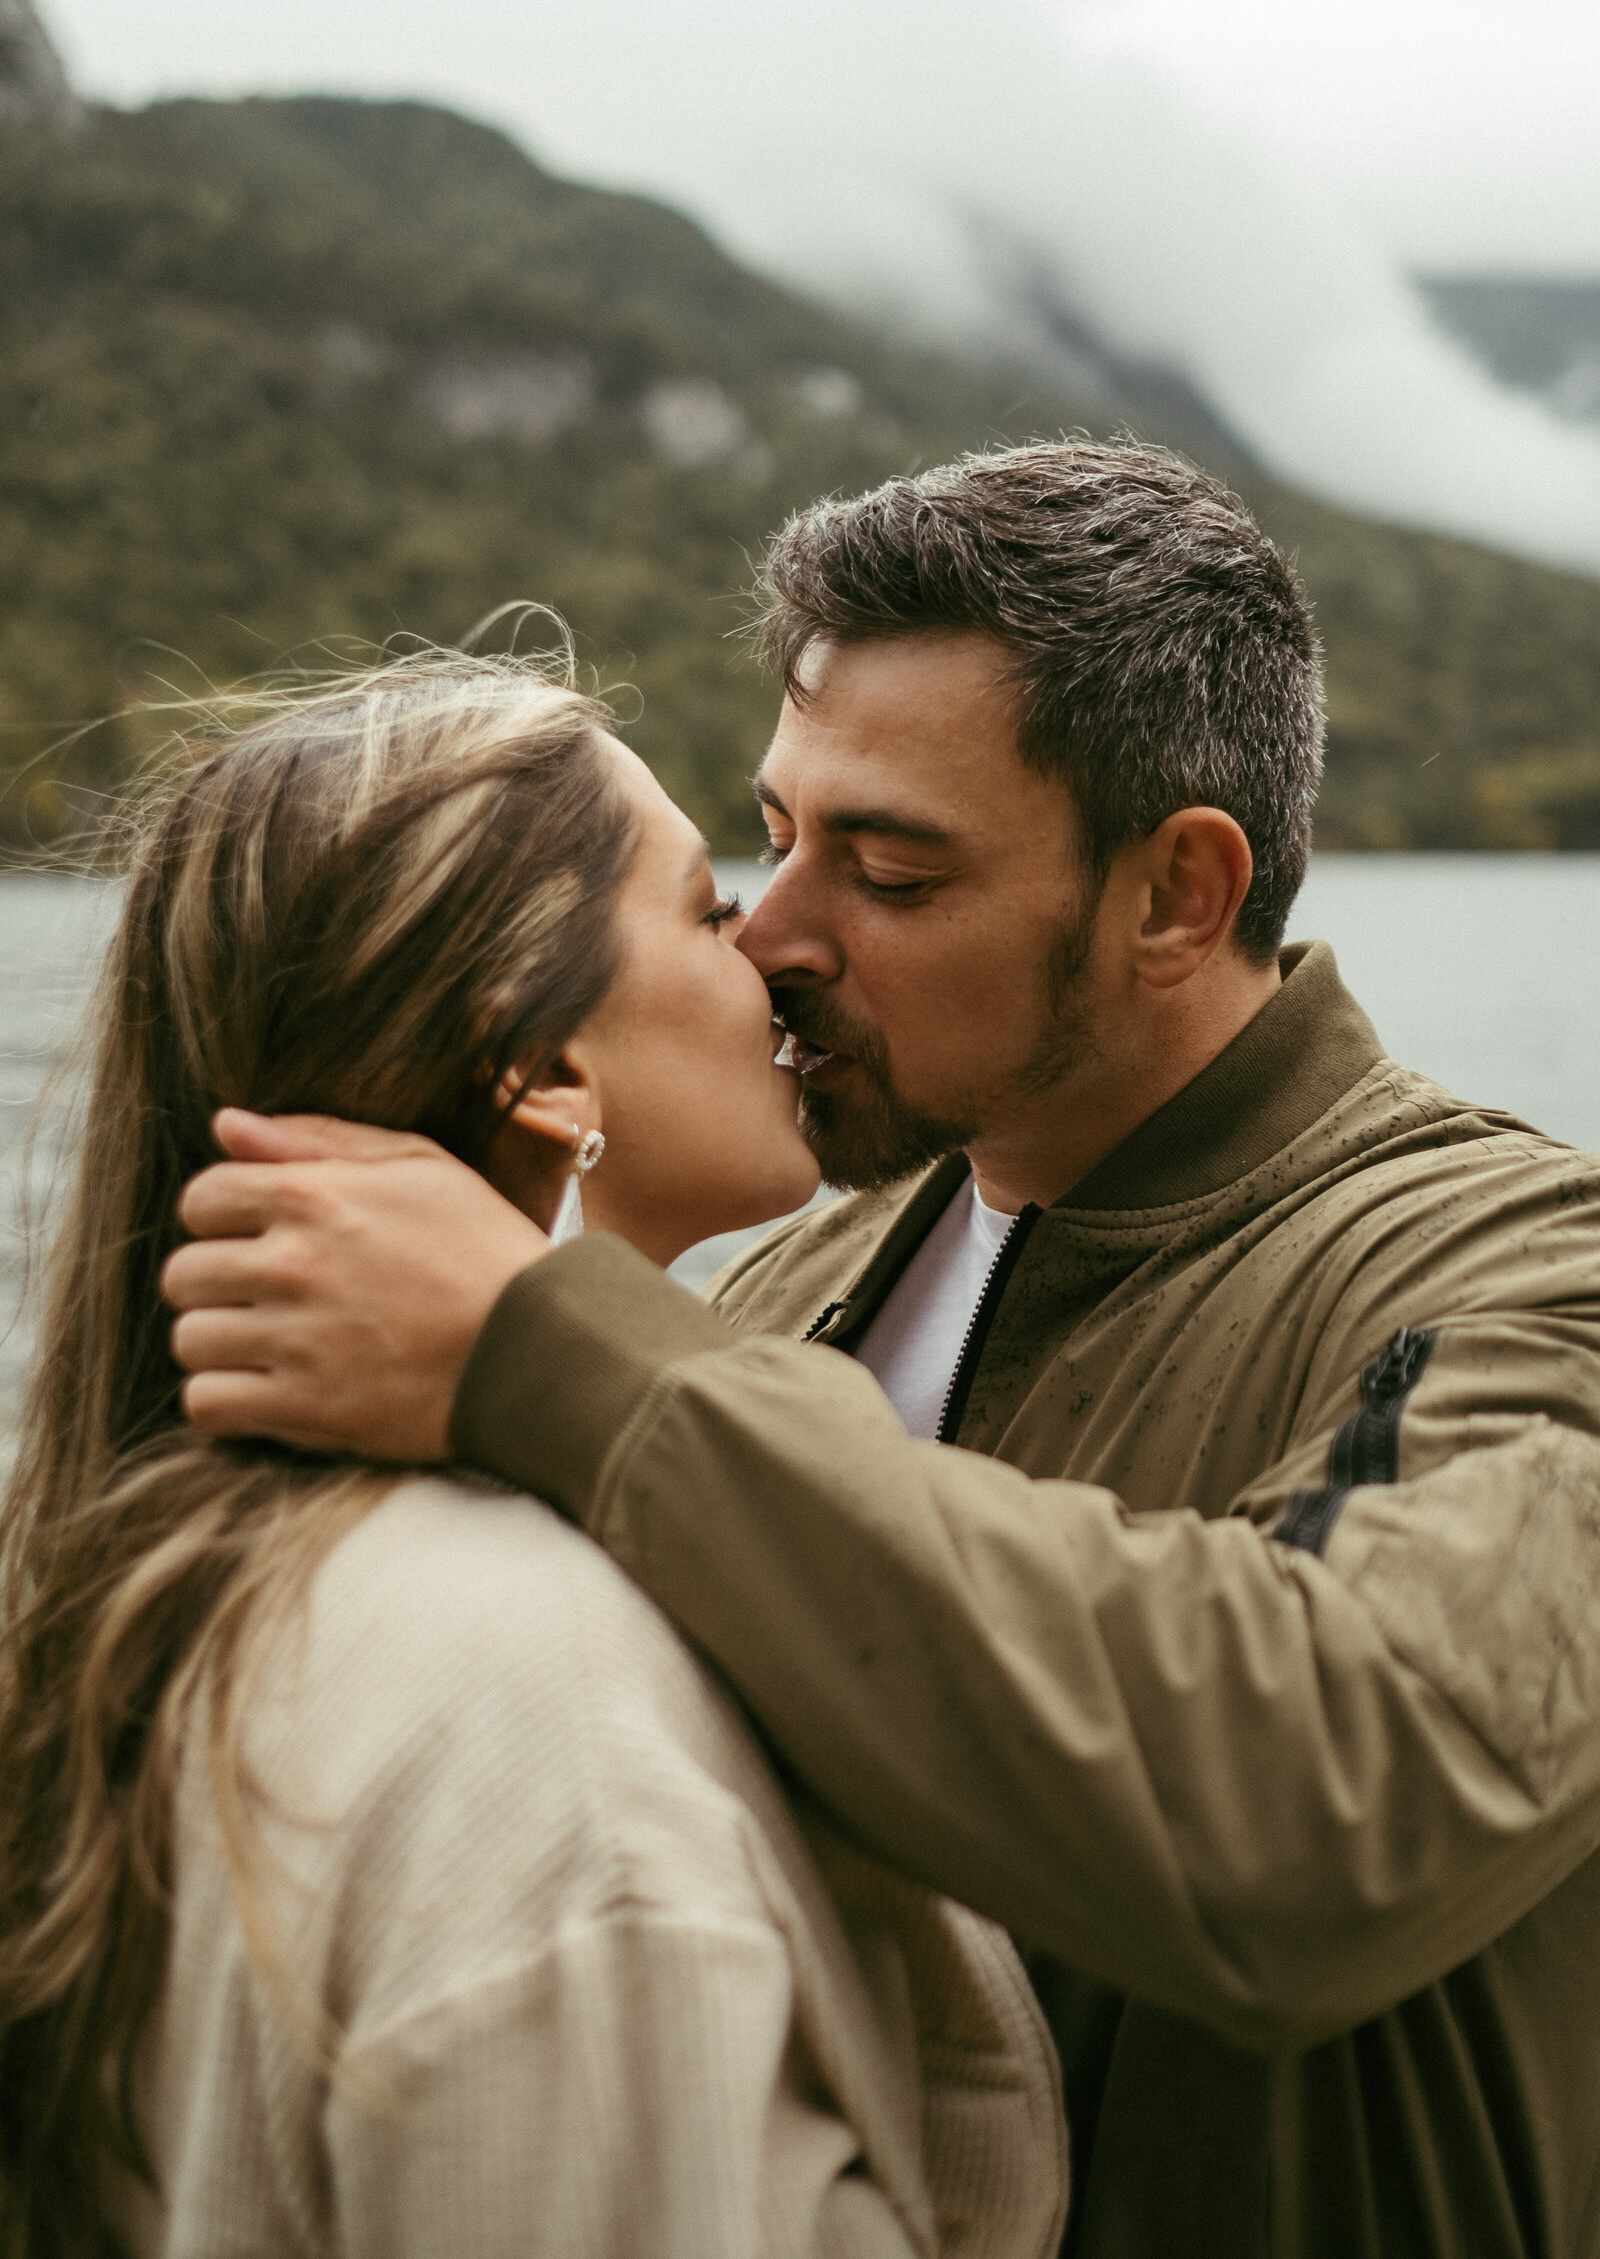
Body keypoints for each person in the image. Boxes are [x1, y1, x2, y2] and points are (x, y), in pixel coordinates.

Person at [165, 443, 1600, 2259]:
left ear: (1176, 895)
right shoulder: (784, 1289)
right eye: (774, 834)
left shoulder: (1530, 1272)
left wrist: (553, 1349)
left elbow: (1329, 1797)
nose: (771, 935)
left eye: (889, 871)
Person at [0, 652, 1069, 2259]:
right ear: (546, 1071)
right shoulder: (553, 1717)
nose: (775, 949)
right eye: (710, 909)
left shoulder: (159, 1589)